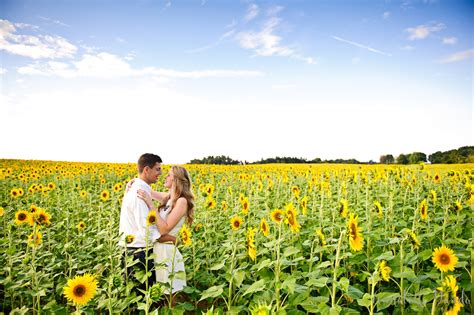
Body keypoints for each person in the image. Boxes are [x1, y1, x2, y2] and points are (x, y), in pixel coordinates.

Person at [118, 153, 176, 295]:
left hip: (132, 251)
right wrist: (173, 239)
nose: (160, 173)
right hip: (139, 255)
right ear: (146, 170)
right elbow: (147, 232)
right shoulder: (139, 195)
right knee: (142, 299)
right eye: (157, 169)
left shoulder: (139, 188)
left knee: (136, 298)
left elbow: (165, 196)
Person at [137, 165, 194, 295]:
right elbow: (147, 191)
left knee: (170, 296)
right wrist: (133, 183)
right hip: (158, 251)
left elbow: (165, 229)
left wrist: (151, 205)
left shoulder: (181, 201)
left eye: (169, 175)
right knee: (160, 296)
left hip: (168, 254)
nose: (165, 176)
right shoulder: (169, 198)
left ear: (176, 180)